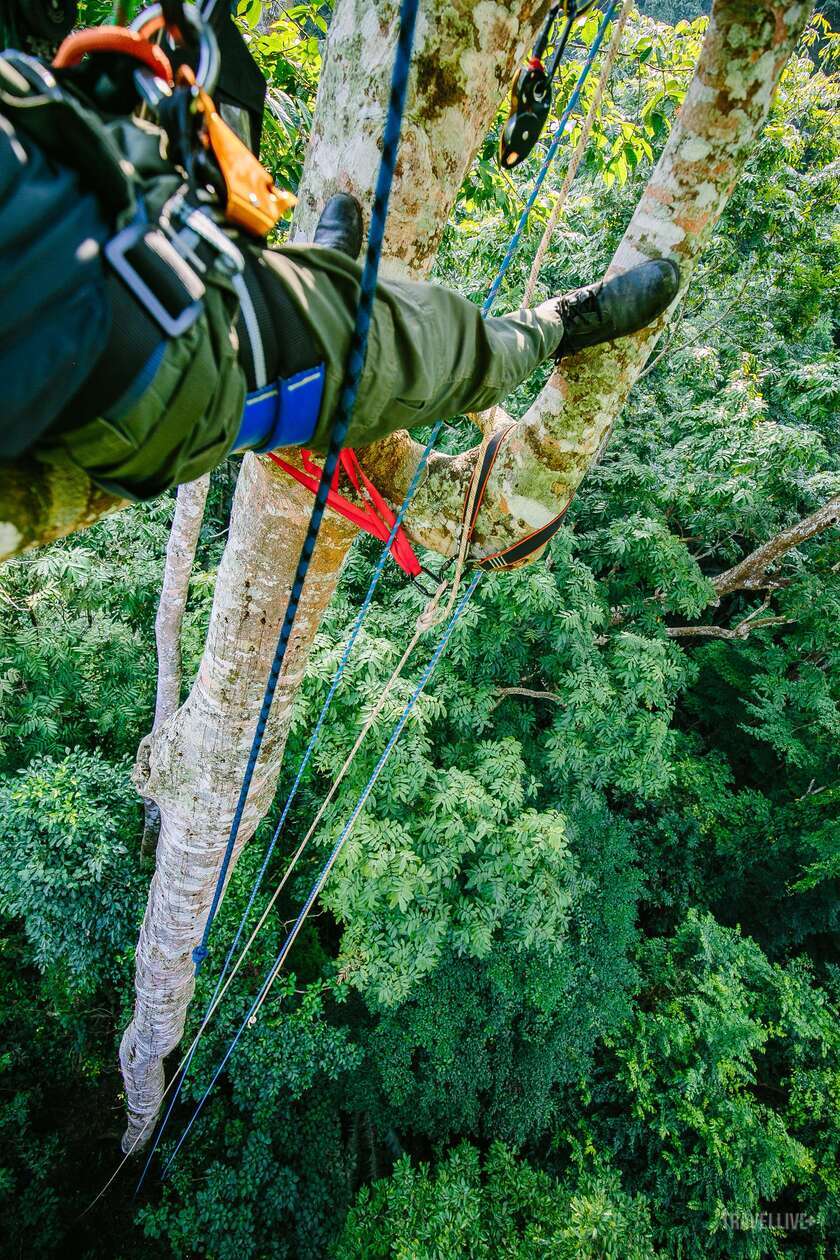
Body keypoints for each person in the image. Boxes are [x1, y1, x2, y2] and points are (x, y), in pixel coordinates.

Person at [0, 22, 680, 507]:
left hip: (124, 282)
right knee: (446, 347)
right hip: (161, 352)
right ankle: (554, 326)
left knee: (265, 277)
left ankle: (323, 276)